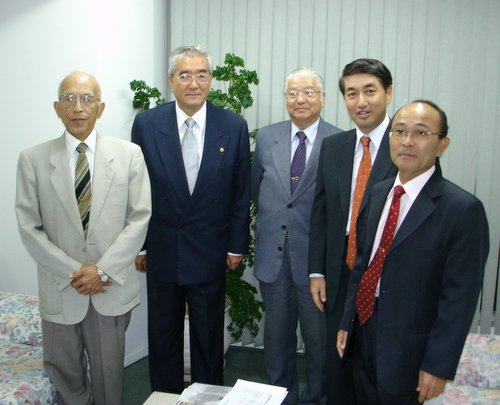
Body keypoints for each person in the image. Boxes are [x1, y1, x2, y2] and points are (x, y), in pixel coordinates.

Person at [337, 100, 489, 404]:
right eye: (399, 131)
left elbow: (459, 300)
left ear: (442, 145)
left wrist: (438, 366)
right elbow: (362, 265)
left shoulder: (462, 210)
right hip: (363, 331)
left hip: (410, 350)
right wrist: (346, 322)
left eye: (421, 133)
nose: (407, 141)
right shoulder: (378, 192)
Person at [15, 72, 152, 405]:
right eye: (69, 98)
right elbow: (29, 226)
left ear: (100, 108)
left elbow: (139, 217)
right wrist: (74, 271)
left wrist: (101, 271)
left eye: (87, 99)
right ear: (57, 108)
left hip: (109, 287)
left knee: (109, 375)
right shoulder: (33, 159)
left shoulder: (129, 155)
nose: (78, 107)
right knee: (65, 374)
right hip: (62, 287)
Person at [131, 46, 251, 393]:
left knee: (208, 337)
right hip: (163, 247)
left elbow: (240, 191)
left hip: (210, 248)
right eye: (184, 75)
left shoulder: (233, 126)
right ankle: (164, 397)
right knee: (163, 334)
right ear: (171, 80)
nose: (193, 83)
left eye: (201, 74)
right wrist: (140, 245)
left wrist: (236, 245)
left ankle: (207, 396)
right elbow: (136, 189)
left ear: (211, 80)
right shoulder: (147, 124)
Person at [308, 58, 398, 403]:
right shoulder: (334, 146)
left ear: (388, 93)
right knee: (338, 363)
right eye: (351, 93)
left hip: (383, 271)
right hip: (339, 269)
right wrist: (317, 271)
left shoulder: (405, 144)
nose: (361, 102)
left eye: (369, 91)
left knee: (377, 365)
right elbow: (320, 213)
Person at [252, 68, 341, 404]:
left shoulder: (339, 141)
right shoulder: (267, 137)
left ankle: (317, 398)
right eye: (292, 93)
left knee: (319, 344)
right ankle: (281, 398)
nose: (300, 99)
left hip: (316, 264)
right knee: (276, 343)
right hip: (273, 259)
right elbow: (255, 188)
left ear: (323, 98)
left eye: (308, 92)